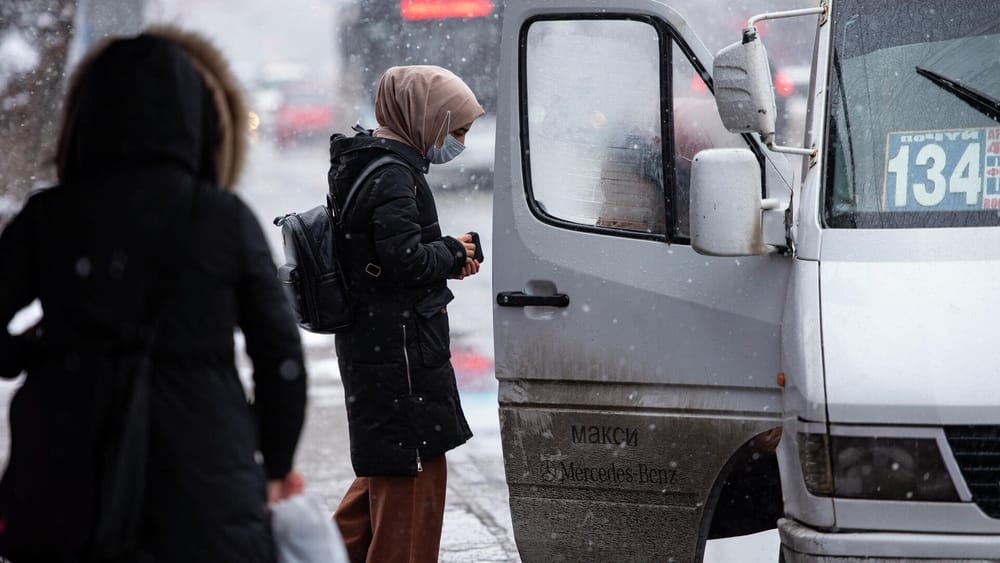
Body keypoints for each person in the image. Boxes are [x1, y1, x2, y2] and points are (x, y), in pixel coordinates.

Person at [0, 26, 307, 562]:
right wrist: (271, 460)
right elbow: (280, 356)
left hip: (63, 473)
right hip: (203, 477)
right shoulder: (223, 219)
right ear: (195, 119)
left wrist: (36, 352)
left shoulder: (50, 217)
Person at [327, 65, 484, 563]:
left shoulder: (370, 164)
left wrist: (446, 256)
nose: (459, 143)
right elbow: (403, 260)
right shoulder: (393, 175)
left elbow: (383, 259)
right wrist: (451, 253)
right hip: (401, 357)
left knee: (385, 481)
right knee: (409, 492)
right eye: (456, 130)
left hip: (385, 350)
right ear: (426, 117)